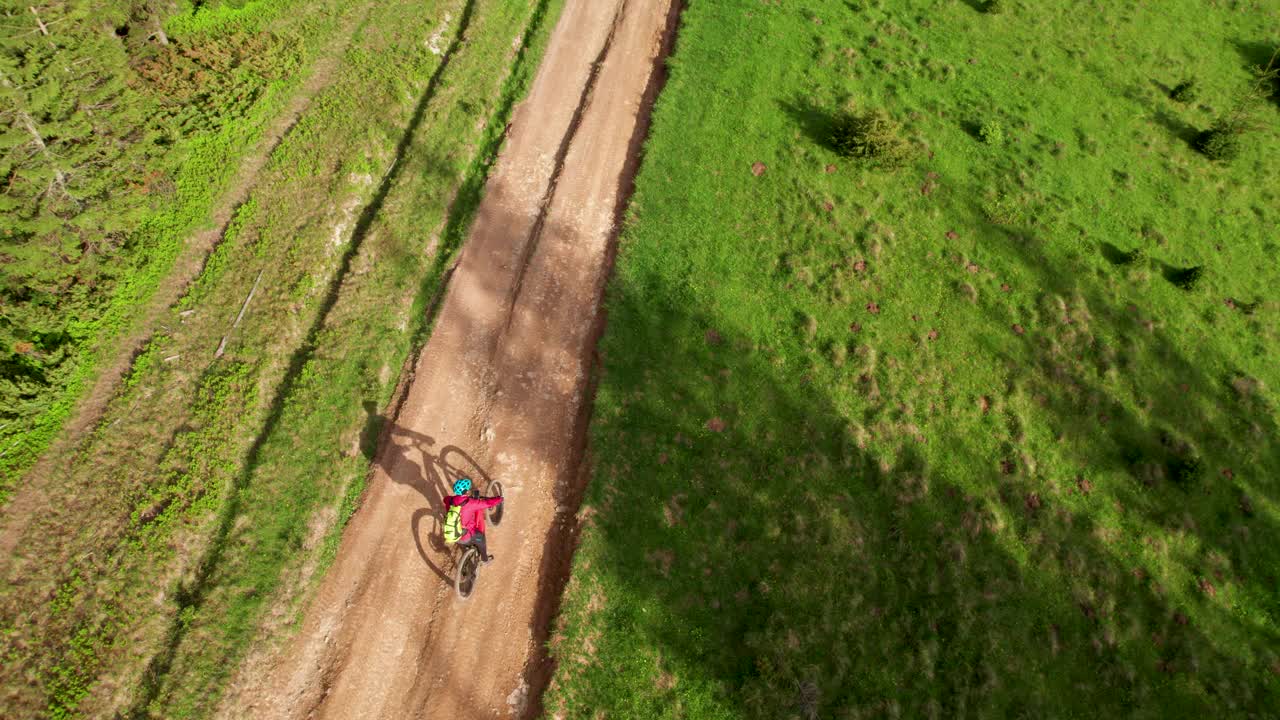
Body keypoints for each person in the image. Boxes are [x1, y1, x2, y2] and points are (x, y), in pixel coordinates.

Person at [443, 477, 503, 563]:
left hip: (453, 535)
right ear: (466, 491)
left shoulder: (450, 500)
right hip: (466, 536)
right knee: (482, 540)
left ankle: (468, 548)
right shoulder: (471, 503)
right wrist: (499, 499)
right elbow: (487, 503)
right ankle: (485, 559)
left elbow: (445, 499)